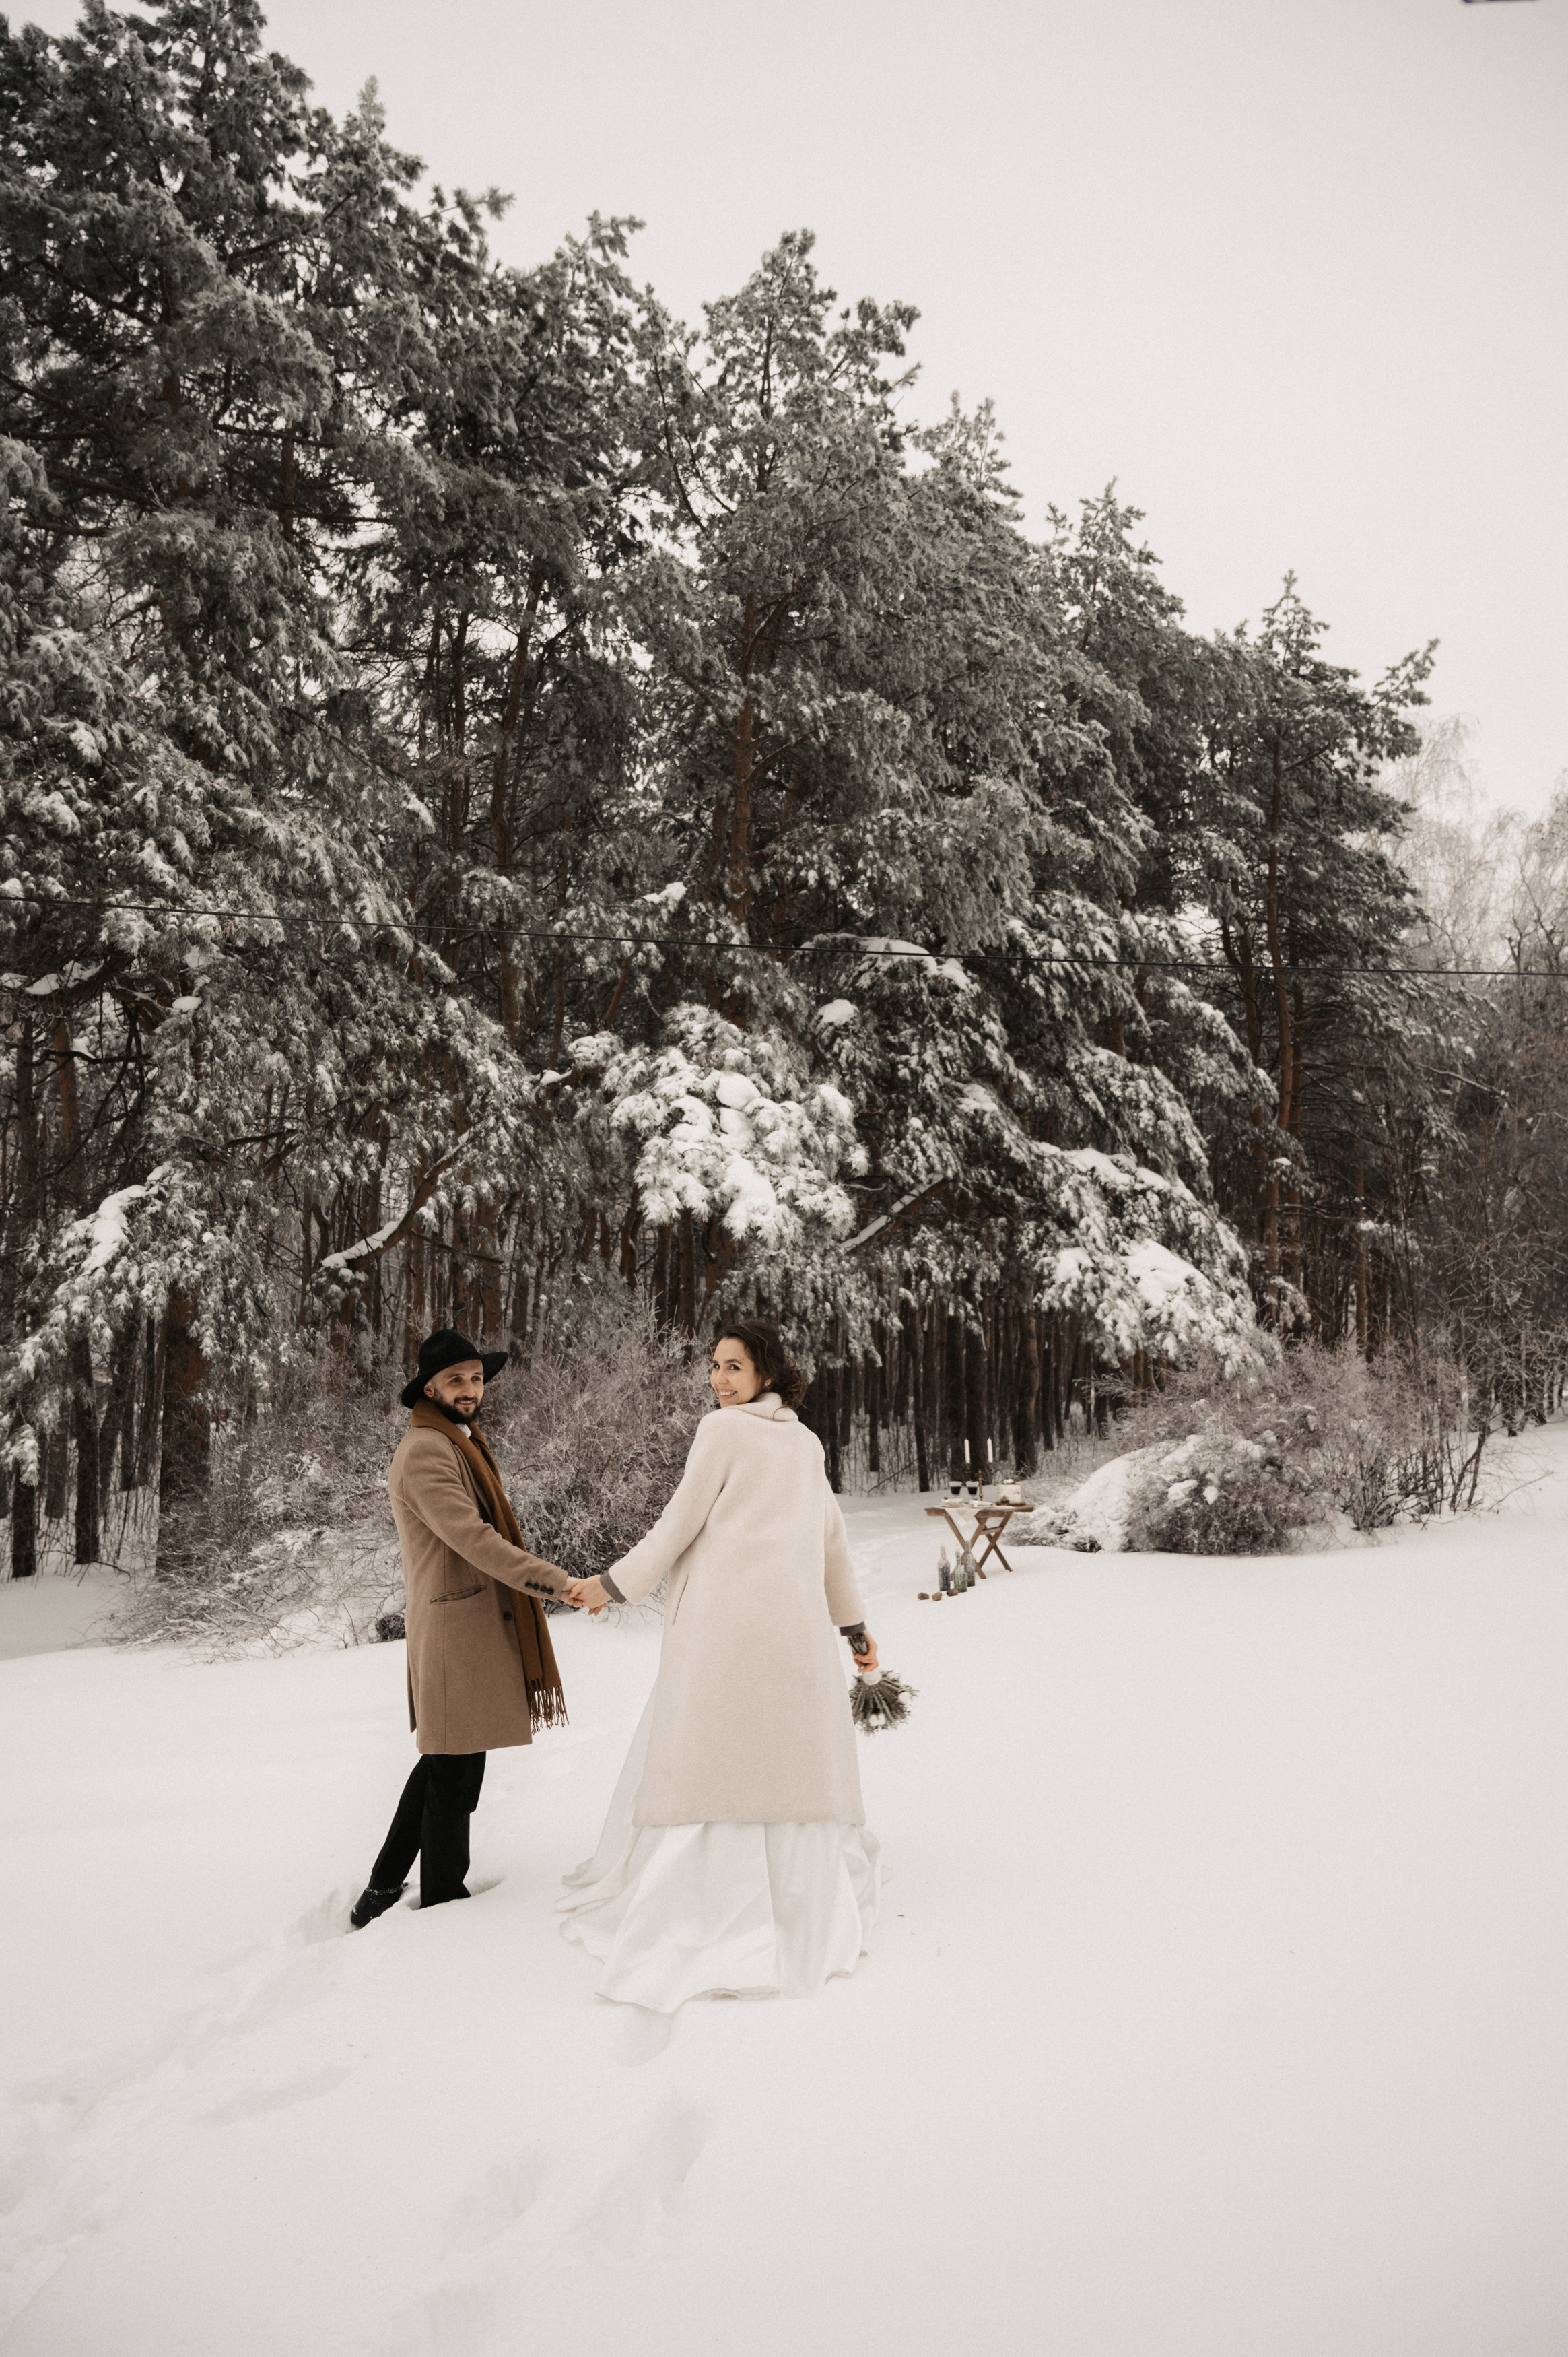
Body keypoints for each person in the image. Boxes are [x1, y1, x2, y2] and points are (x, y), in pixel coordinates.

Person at [558, 1319, 883, 2009]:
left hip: (726, 1631)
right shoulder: (805, 1441)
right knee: (781, 1761)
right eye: (715, 1366)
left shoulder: (722, 1431)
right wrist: (851, 1626)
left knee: (713, 1758)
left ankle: (703, 1910)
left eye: (733, 1366)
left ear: (765, 1371)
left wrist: (610, 1584)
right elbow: (833, 1546)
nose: (719, 1379)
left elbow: (678, 1522)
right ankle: (798, 1906)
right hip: (792, 1632)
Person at [349, 1329, 572, 1928]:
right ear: (430, 1388)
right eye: (457, 1380)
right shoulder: (426, 1450)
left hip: (469, 1624)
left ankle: (379, 1890)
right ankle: (444, 1898)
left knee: (446, 1764)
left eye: (476, 1377)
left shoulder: (459, 1441)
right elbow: (473, 1540)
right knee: (451, 1770)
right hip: (454, 1630)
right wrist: (555, 1582)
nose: (470, 1389)